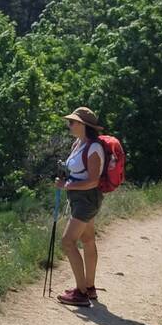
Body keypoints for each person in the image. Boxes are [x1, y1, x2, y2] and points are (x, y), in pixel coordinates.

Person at [55, 107, 106, 307]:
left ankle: (81, 293)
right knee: (87, 239)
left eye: (72, 122)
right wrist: (66, 179)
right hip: (79, 198)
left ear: (83, 125)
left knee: (68, 242)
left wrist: (67, 185)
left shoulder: (94, 148)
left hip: (87, 199)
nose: (69, 125)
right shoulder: (79, 143)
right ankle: (89, 288)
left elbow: (93, 181)